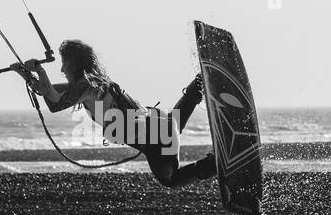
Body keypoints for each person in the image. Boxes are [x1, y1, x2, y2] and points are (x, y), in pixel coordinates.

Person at [22, 40, 217, 188]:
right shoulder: (95, 81)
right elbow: (48, 92)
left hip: (154, 137)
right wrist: (26, 75)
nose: (62, 69)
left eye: (65, 64)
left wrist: (39, 69)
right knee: (172, 123)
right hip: (158, 123)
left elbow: (55, 104)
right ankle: (204, 77)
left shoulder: (86, 85)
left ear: (75, 64)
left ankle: (216, 165)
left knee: (170, 179)